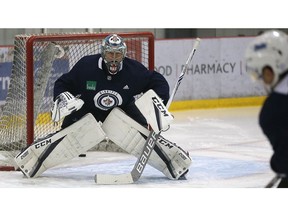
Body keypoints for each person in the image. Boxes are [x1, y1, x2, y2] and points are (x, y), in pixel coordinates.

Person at [14, 33, 192, 180]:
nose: (114, 59)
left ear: (123, 54)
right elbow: (63, 82)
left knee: (142, 138)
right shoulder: (86, 66)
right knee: (66, 136)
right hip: (88, 106)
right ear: (103, 53)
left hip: (123, 108)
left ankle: (173, 163)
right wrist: (61, 97)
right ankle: (34, 160)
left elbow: (157, 81)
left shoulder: (133, 71)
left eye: (118, 54)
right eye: (110, 54)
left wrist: (158, 105)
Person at [245, 30, 288, 188]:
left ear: (270, 70)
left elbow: (285, 161)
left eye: (261, 75)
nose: (262, 81)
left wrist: (276, 165)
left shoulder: (274, 110)